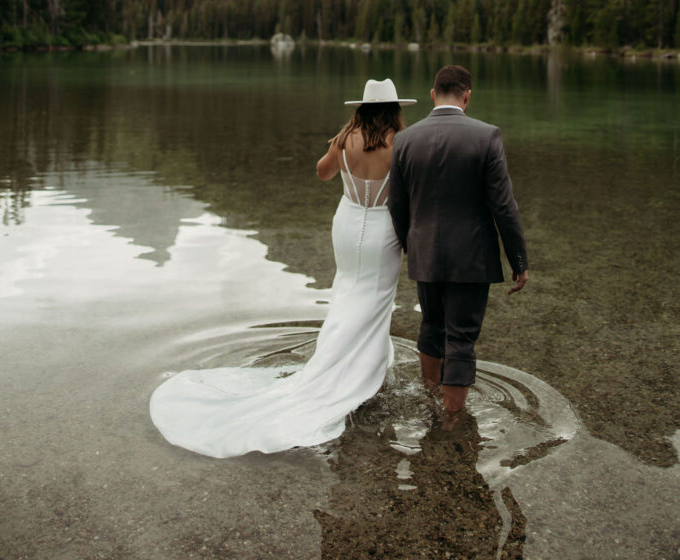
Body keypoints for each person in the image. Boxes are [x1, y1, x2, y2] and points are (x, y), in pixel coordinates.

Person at [149, 77, 416, 458]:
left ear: (362, 107)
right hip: (381, 228)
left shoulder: (344, 139)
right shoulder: (403, 144)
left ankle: (339, 359)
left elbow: (322, 173)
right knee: (374, 299)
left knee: (346, 291)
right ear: (394, 109)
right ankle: (359, 370)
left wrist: (342, 156)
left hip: (347, 221)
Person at [388, 64, 528, 420]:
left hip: (425, 255)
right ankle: (451, 422)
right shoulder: (487, 136)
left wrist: (412, 245)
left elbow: (396, 204)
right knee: (461, 337)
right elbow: (504, 206)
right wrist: (519, 260)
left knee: (431, 327)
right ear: (467, 96)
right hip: (471, 258)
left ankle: (430, 397)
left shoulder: (405, 139)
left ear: (434, 95)